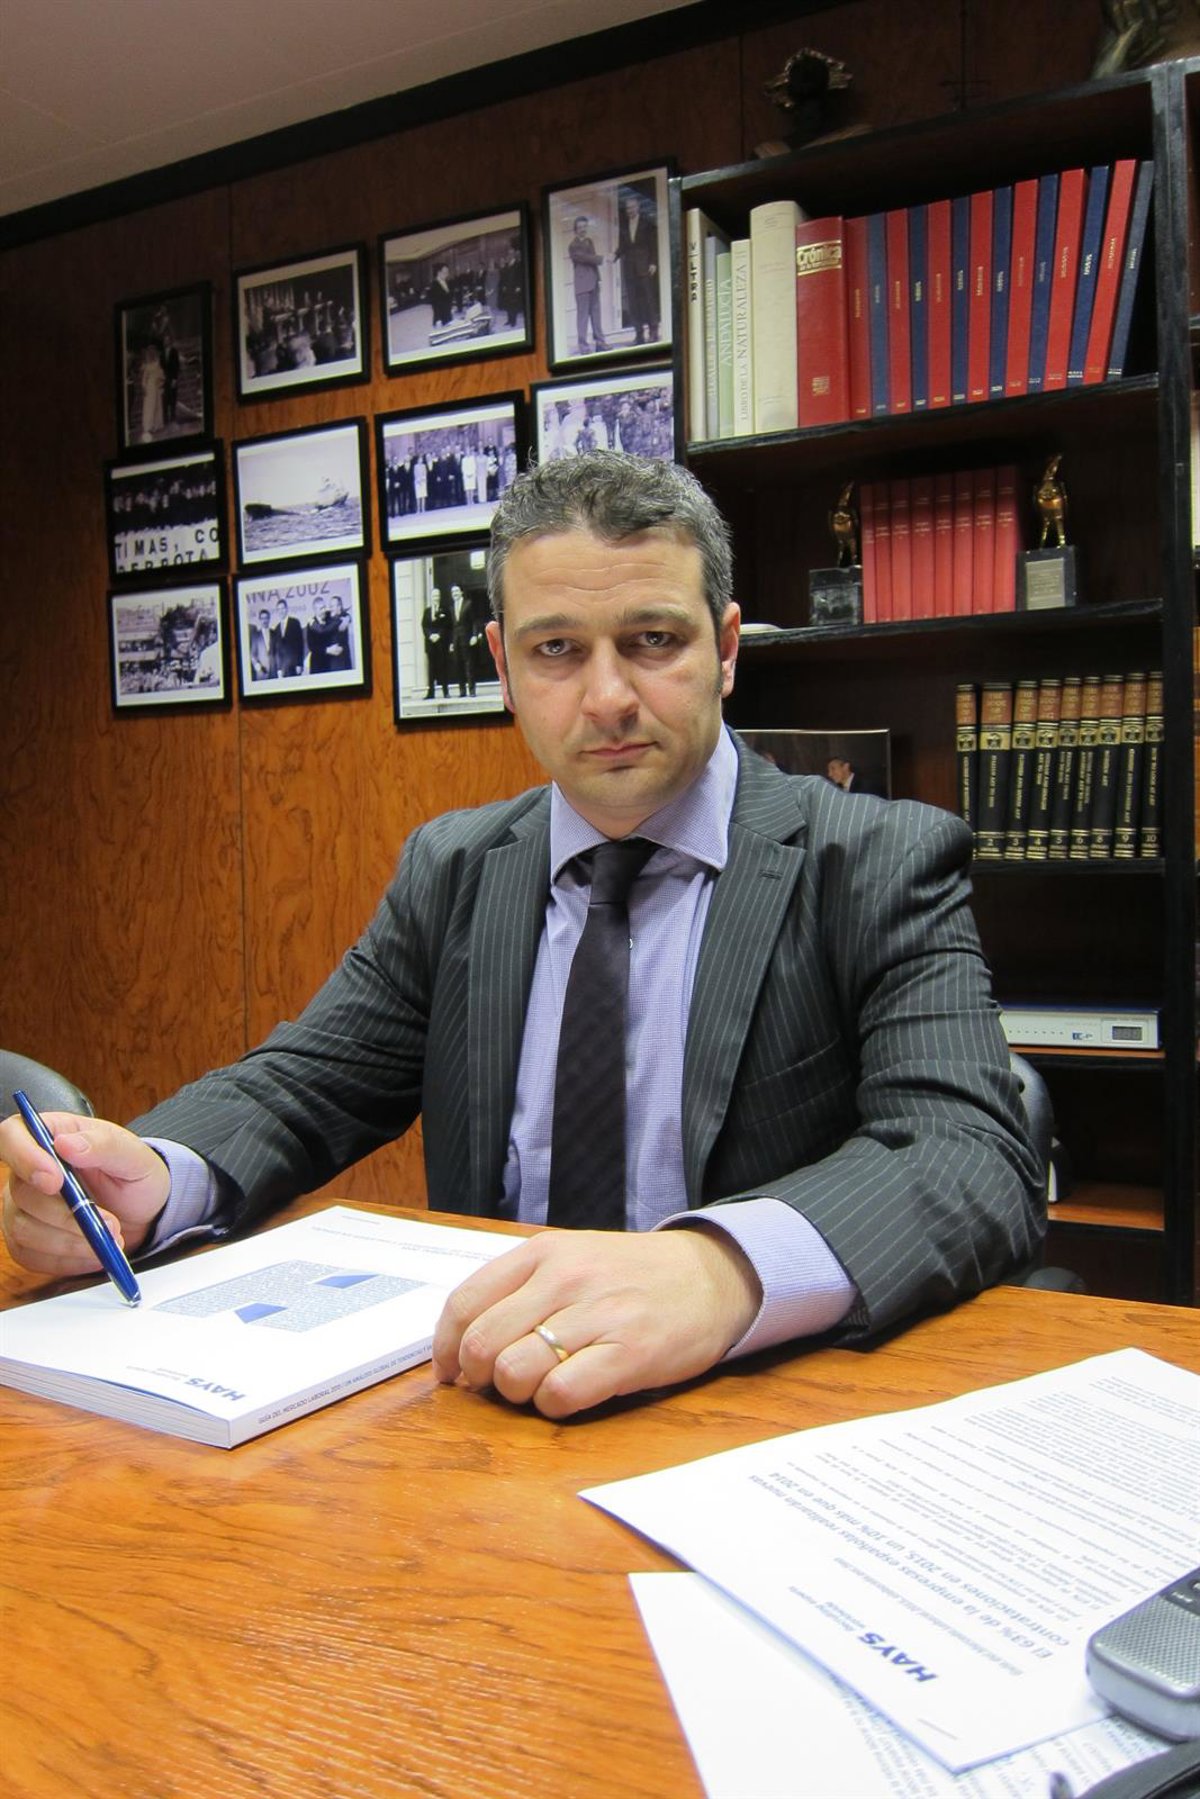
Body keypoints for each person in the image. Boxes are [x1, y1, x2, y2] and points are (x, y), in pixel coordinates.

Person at [0, 452, 1042, 1423]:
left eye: (654, 640)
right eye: (557, 650)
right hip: (495, 1399)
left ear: (726, 648)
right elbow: (302, 1085)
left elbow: (967, 1151)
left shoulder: (876, 860)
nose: (608, 697)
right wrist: (158, 1176)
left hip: (755, 1407)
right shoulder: (455, 869)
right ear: (504, 663)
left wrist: (718, 1267)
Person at [611, 191, 660, 344]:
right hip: (630, 268)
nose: (630, 211)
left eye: (632, 207)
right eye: (628, 208)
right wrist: (614, 256)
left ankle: (653, 331)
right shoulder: (624, 226)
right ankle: (639, 334)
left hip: (644, 267)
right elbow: (622, 246)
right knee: (633, 303)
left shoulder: (646, 223)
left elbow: (653, 244)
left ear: (638, 207)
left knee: (648, 300)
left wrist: (653, 262)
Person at [567, 215, 607, 355]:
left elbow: (593, 264)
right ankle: (583, 346)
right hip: (582, 285)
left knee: (596, 314)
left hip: (593, 282)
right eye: (580, 227)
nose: (583, 230)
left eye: (585, 226)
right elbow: (585, 258)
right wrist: (601, 259)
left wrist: (599, 280)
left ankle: (600, 343)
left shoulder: (589, 242)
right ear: (575, 230)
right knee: (583, 317)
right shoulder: (573, 246)